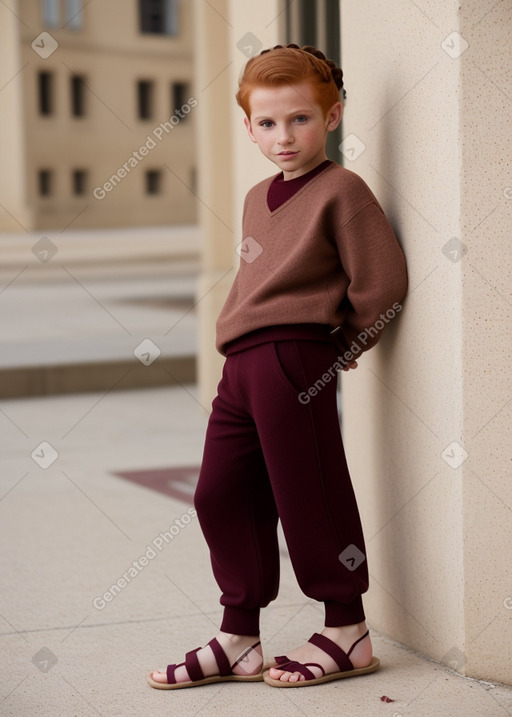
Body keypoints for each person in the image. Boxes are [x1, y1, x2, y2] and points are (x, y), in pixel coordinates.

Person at [147, 43, 407, 690]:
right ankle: (239, 636)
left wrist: (339, 347)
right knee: (220, 491)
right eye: (267, 122)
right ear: (248, 128)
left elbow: (383, 283)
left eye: (300, 119)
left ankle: (347, 626)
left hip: (295, 355)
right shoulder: (258, 196)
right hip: (242, 363)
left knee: (308, 494)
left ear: (333, 116)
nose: (283, 135)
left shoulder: (342, 189)